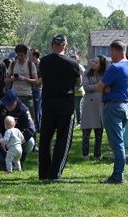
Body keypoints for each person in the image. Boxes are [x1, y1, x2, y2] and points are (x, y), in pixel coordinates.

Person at [37, 34, 81, 181]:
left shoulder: (43, 61)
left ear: (52, 45)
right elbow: (79, 83)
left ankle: (43, 173)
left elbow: (41, 79)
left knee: (45, 139)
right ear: (65, 46)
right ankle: (55, 173)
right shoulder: (72, 63)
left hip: (48, 103)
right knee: (63, 140)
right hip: (65, 105)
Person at [96, 39, 128, 184]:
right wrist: (107, 87)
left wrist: (107, 88)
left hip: (112, 106)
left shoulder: (115, 68)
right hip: (125, 106)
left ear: (116, 51)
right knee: (120, 142)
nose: (110, 55)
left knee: (117, 143)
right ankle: (118, 173)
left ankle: (118, 176)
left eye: (110, 52)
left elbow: (100, 86)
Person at [80, 55, 107, 161]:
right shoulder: (86, 73)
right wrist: (98, 87)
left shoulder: (105, 74)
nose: (93, 64)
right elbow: (85, 86)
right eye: (93, 61)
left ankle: (97, 154)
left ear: (101, 65)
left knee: (99, 132)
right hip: (89, 106)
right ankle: (85, 154)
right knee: (86, 132)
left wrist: (97, 87)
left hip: (100, 106)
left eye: (96, 62)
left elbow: (106, 87)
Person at [5, 44, 38, 119]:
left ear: (25, 54)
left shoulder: (30, 65)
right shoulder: (12, 64)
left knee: (29, 119)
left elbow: (36, 81)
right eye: (18, 55)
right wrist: (12, 79)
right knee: (13, 119)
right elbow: (6, 80)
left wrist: (24, 78)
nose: (19, 57)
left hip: (27, 96)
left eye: (21, 55)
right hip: (14, 96)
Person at [30, 49, 43, 128]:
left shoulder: (40, 65)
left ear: (34, 55)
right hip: (31, 89)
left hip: (37, 90)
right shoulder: (31, 65)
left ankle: (37, 127)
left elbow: (39, 80)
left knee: (37, 109)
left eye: (30, 55)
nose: (29, 57)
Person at [72, 54, 86, 125]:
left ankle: (79, 121)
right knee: (74, 106)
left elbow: (82, 80)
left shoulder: (80, 68)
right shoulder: (72, 67)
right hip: (72, 90)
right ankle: (75, 121)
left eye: (75, 58)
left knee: (78, 106)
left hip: (79, 91)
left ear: (78, 60)